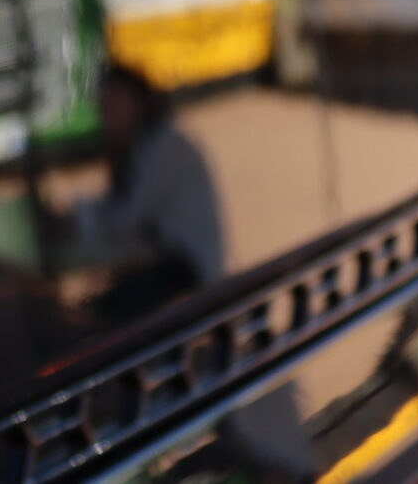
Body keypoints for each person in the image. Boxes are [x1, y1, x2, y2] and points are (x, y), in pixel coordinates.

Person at [74, 62, 314, 478]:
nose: (106, 115)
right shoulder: (142, 149)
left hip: (189, 272)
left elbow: (127, 218)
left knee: (104, 319)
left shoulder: (164, 147)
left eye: (113, 104)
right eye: (102, 106)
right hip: (172, 269)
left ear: (139, 102)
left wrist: (82, 213)